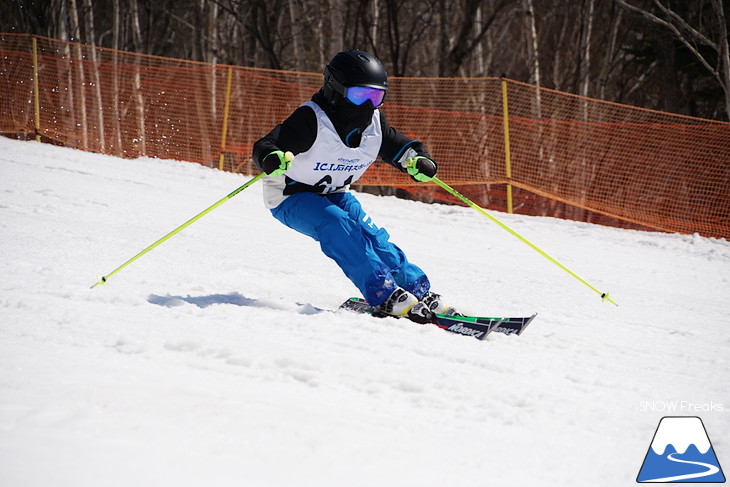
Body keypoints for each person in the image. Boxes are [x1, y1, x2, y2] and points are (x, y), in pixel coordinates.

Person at [252, 49, 457, 323]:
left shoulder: (374, 124)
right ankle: (382, 293)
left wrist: (418, 161)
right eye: (360, 95)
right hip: (292, 195)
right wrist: (270, 157)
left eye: (376, 97)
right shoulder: (312, 120)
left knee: (373, 237)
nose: (367, 105)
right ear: (335, 90)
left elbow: (402, 148)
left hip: (335, 194)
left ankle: (416, 290)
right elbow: (267, 144)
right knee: (338, 225)